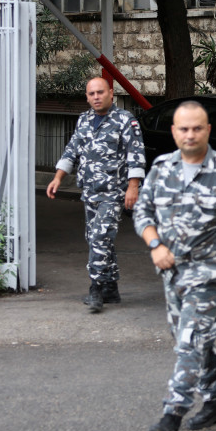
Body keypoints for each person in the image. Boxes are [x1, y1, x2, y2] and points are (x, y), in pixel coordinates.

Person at [133, 100, 216, 431]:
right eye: (184, 129)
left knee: (190, 340)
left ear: (208, 130)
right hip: (172, 270)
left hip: (210, 271)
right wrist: (155, 244)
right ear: (174, 132)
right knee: (192, 338)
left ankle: (172, 415)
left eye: (197, 128)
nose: (190, 134)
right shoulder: (161, 168)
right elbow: (142, 212)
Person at [46, 76, 146, 312]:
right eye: (92, 94)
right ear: (87, 97)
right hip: (90, 192)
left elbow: (136, 154)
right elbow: (71, 151)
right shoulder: (84, 120)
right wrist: (58, 178)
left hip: (114, 192)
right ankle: (111, 287)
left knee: (100, 237)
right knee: (97, 238)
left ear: (111, 93)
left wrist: (133, 187)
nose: (96, 97)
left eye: (100, 92)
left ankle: (97, 288)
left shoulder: (125, 120)